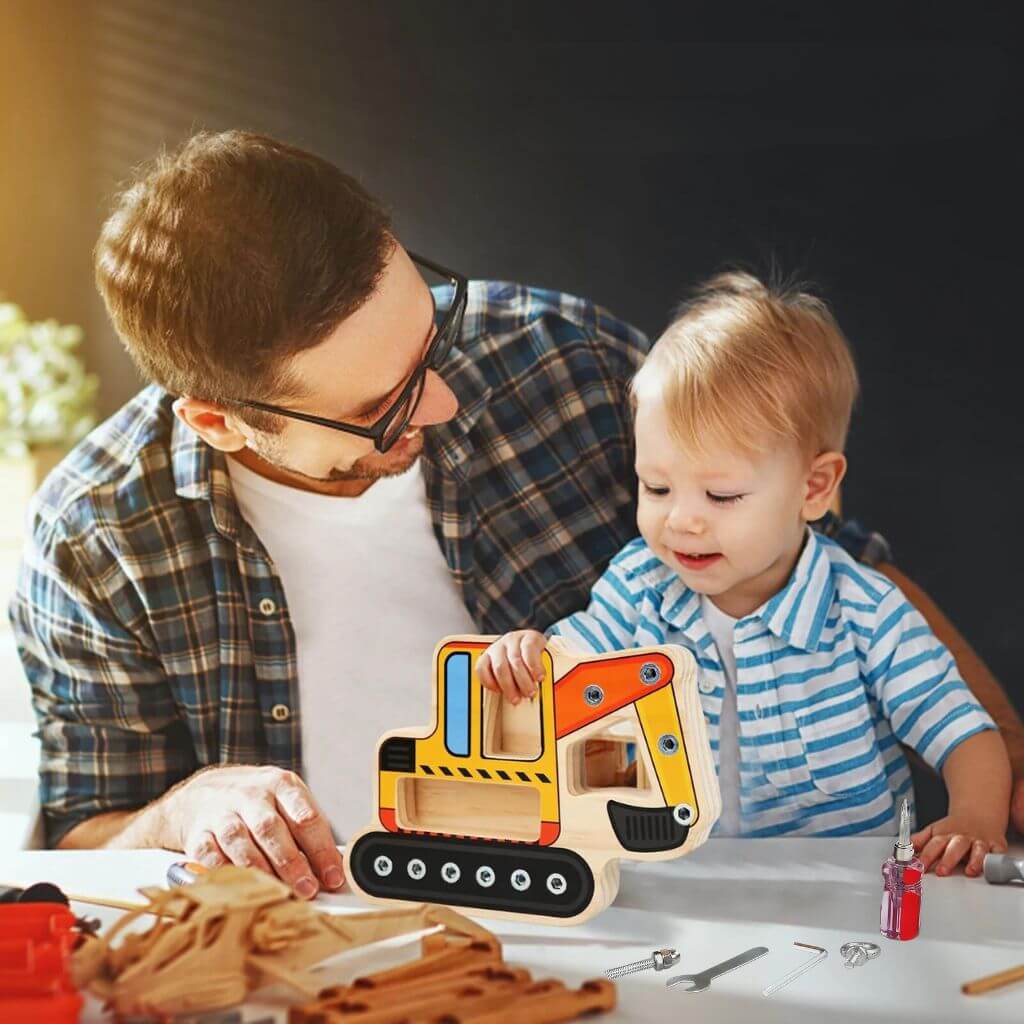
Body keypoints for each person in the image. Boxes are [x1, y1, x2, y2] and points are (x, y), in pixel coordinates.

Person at [10, 132, 1021, 899]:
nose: (445, 401)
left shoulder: (558, 359)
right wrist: (185, 811)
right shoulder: (100, 541)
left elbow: (828, 563)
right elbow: (80, 841)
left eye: (431, 327)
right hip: (333, 951)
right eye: (382, 407)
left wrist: (1005, 769)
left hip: (637, 914)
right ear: (219, 420)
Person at [477, 272, 1012, 876]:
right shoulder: (638, 585)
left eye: (722, 495)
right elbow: (568, 673)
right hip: (690, 879)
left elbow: (965, 732)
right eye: (655, 487)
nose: (681, 521)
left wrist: (974, 816)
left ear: (814, 488)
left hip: (850, 887)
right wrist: (529, 656)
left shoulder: (865, 609)